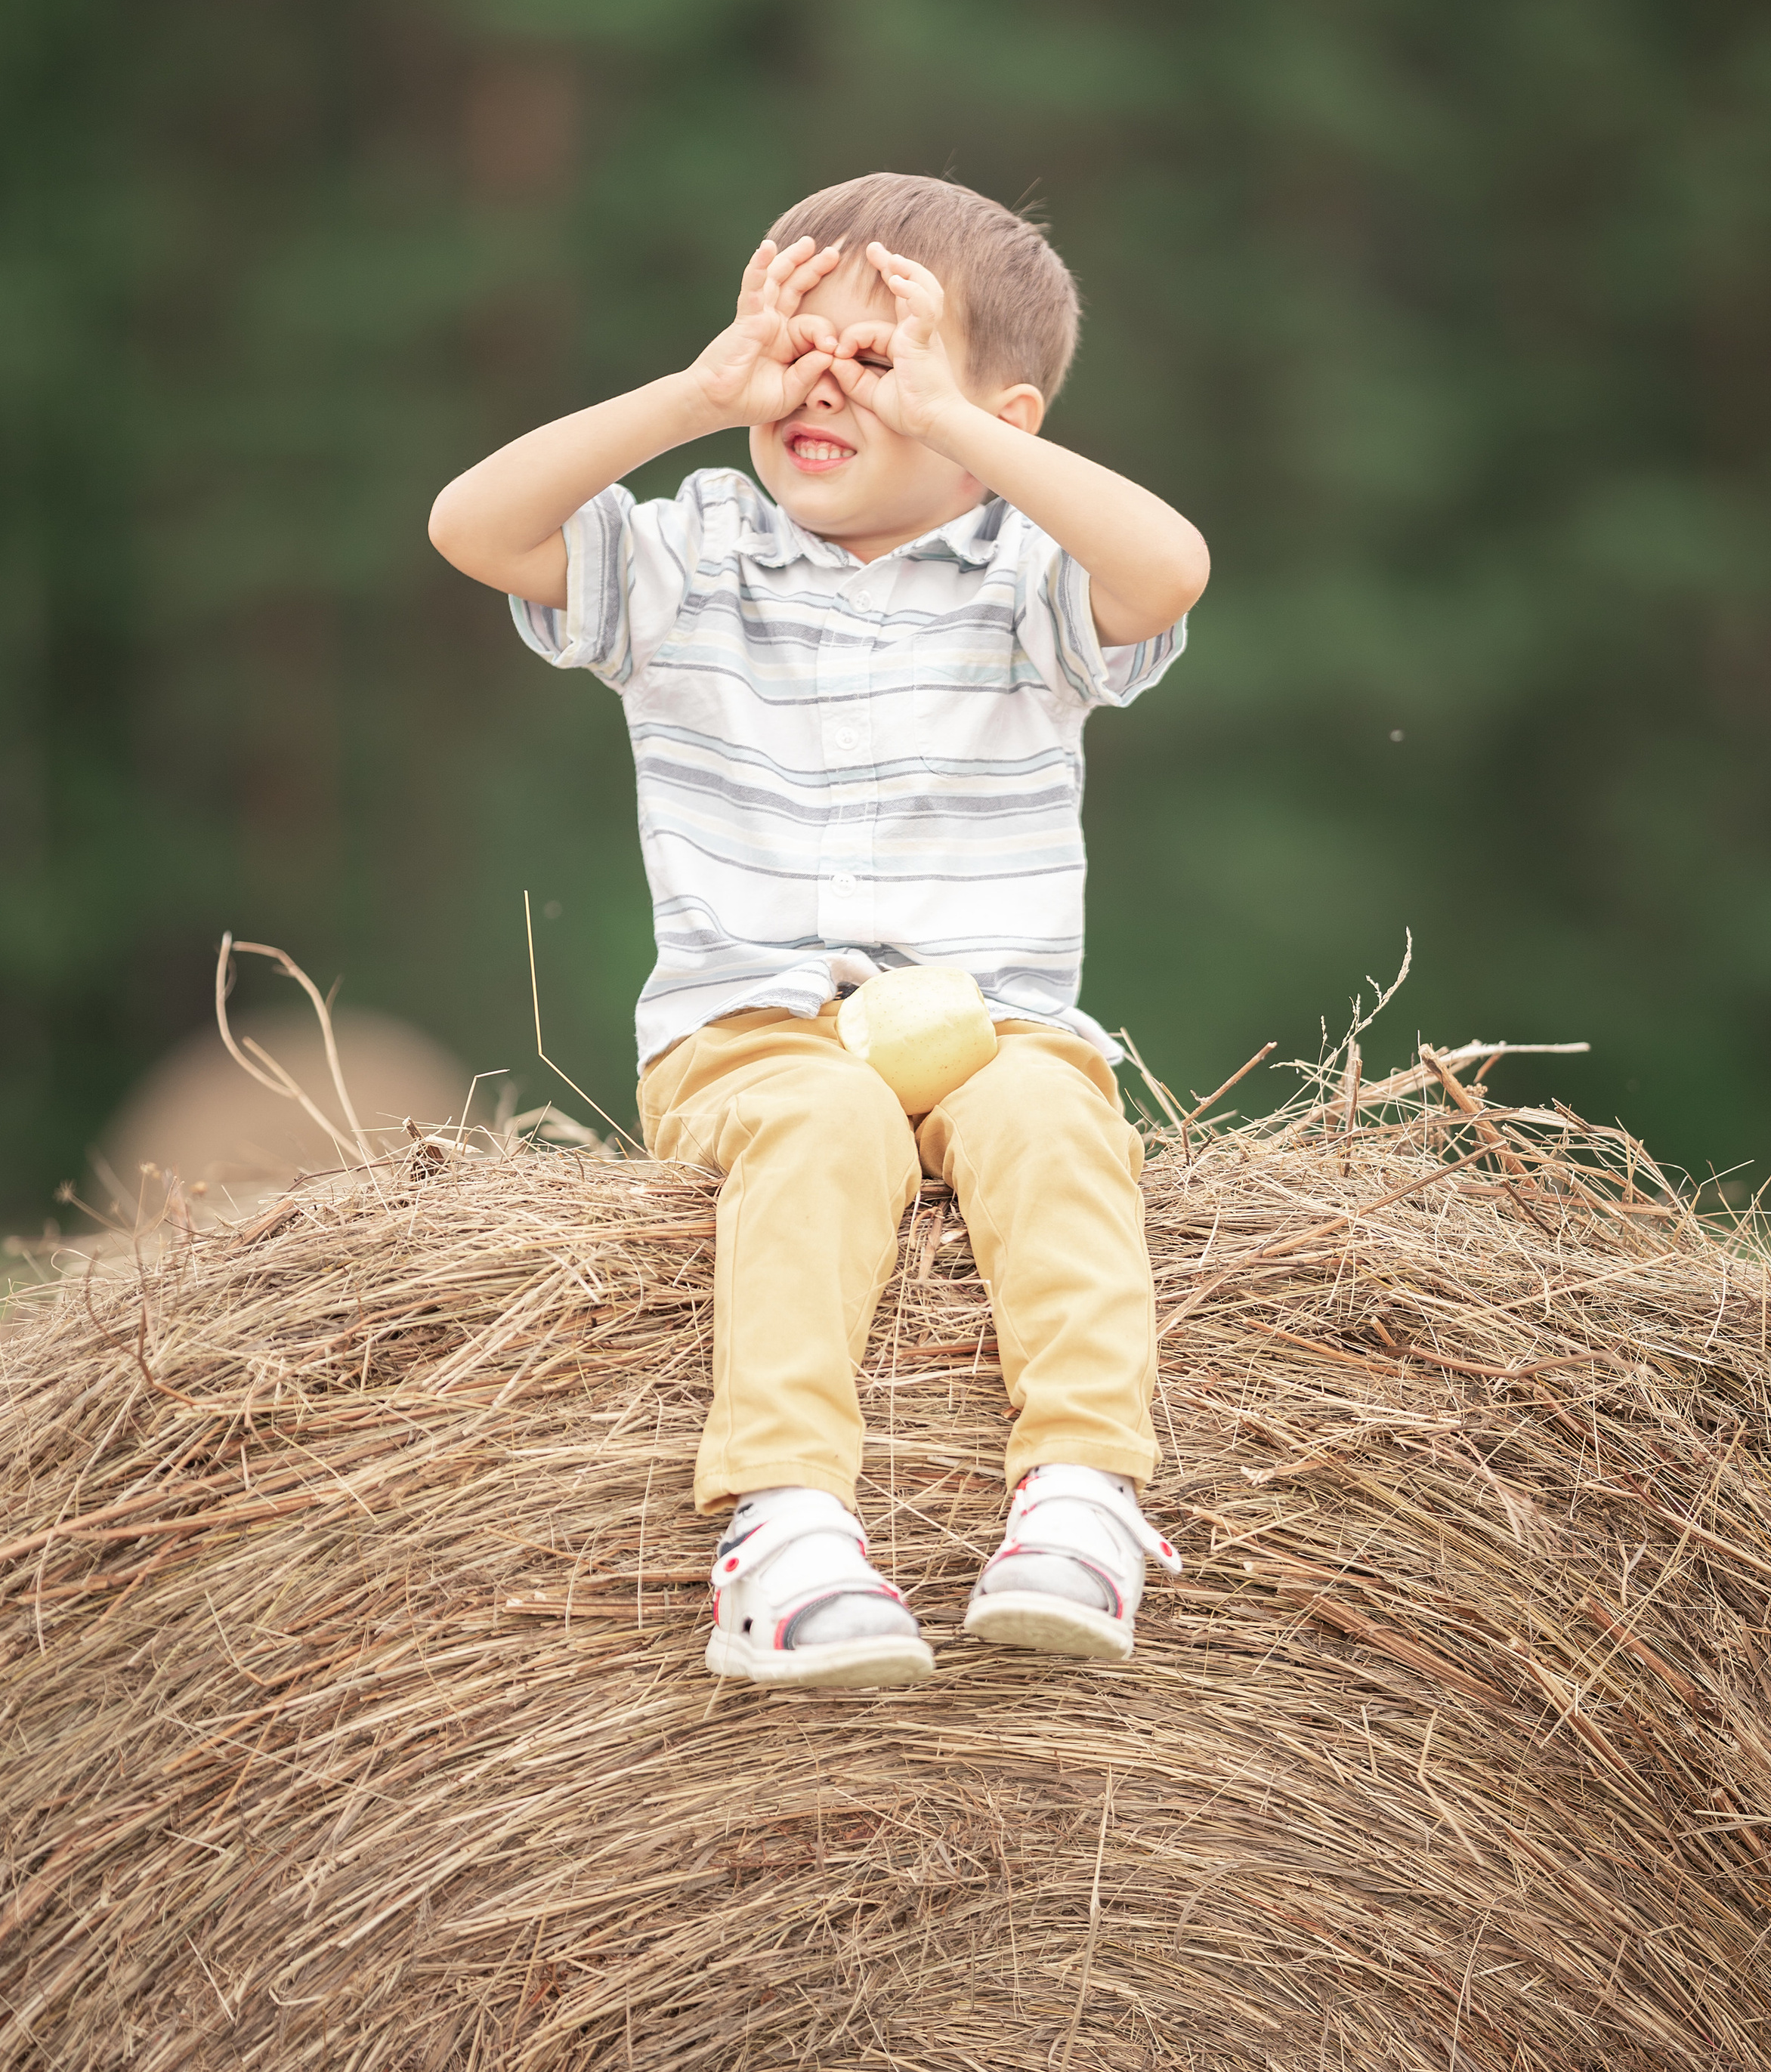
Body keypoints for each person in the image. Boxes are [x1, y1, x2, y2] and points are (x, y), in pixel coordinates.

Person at [429, 172, 1209, 1689]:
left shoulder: (1029, 579)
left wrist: (959, 431)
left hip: (991, 1032)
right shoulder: (688, 556)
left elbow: (1167, 566)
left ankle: (1082, 1496)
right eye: (799, 346)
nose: (820, 388)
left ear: (1004, 415)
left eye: (881, 362)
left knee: (1057, 1116)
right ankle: (781, 1527)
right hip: (753, 1035)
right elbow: (472, 524)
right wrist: (688, 392)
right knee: (830, 1120)